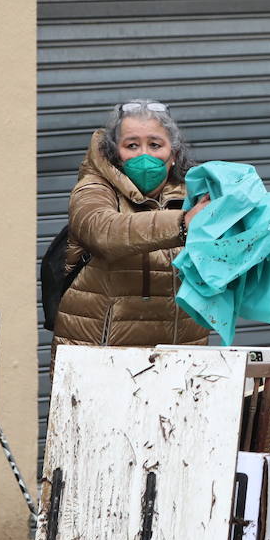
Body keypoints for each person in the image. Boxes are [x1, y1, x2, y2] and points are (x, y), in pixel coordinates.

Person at [52, 100, 212, 359]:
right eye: (132, 145)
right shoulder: (93, 189)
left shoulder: (196, 195)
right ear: (116, 152)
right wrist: (181, 224)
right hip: (99, 357)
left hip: (179, 358)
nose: (144, 155)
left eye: (155, 144)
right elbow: (103, 230)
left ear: (173, 154)